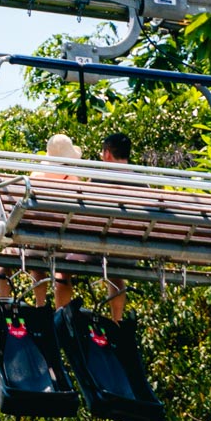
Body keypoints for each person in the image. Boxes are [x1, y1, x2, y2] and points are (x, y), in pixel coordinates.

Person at [0, 132, 84, 301]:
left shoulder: (36, 177)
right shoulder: (74, 180)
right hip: (64, 246)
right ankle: (60, 311)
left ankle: (8, 302)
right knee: (61, 271)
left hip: (35, 243)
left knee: (6, 255)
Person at [95, 132, 132, 321]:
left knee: (63, 262)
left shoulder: (98, 178)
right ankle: (116, 321)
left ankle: (59, 315)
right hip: (132, 251)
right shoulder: (142, 182)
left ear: (107, 153)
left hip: (98, 249)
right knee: (116, 272)